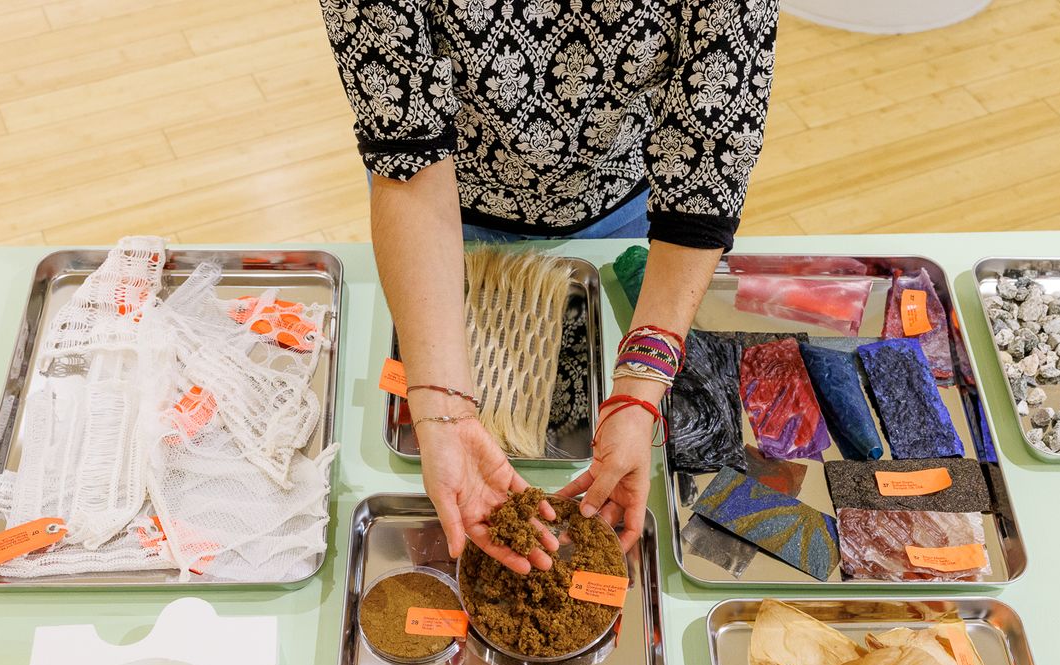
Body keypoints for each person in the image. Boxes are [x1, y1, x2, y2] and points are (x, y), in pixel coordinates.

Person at [319, 1, 780, 573]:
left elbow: (708, 160)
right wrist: (442, 411)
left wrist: (638, 394)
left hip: (615, 200)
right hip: (437, 202)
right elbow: (403, 137)